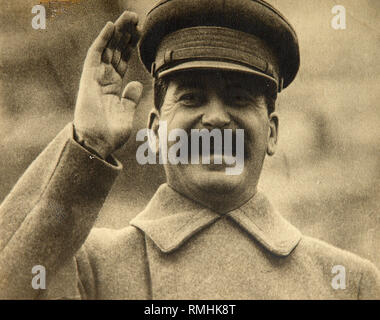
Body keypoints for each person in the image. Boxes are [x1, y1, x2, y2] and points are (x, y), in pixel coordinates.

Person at [0, 0, 379, 299]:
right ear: (154, 131)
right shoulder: (86, 265)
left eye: (239, 98)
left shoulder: (348, 284)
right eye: (193, 98)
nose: (215, 119)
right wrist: (89, 144)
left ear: (273, 133)